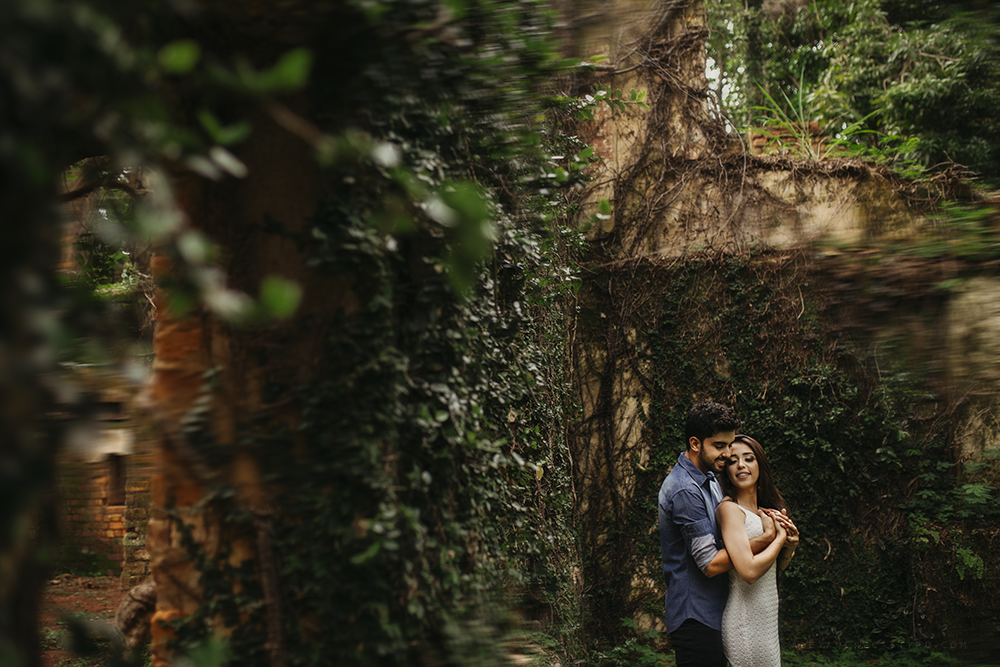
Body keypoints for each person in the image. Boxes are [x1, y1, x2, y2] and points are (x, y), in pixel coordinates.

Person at [658, 403, 783, 667]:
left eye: (729, 445)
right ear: (695, 443)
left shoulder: (710, 479)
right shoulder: (685, 490)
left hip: (714, 613)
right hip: (696, 617)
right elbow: (711, 564)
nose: (727, 454)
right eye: (719, 446)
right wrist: (765, 538)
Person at [717, 434, 800, 667]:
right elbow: (749, 573)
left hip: (767, 616)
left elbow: (775, 567)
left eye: (748, 458)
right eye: (733, 460)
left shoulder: (764, 511)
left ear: (760, 465)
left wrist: (790, 546)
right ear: (727, 470)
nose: (741, 465)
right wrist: (777, 537)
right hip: (745, 619)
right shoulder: (729, 510)